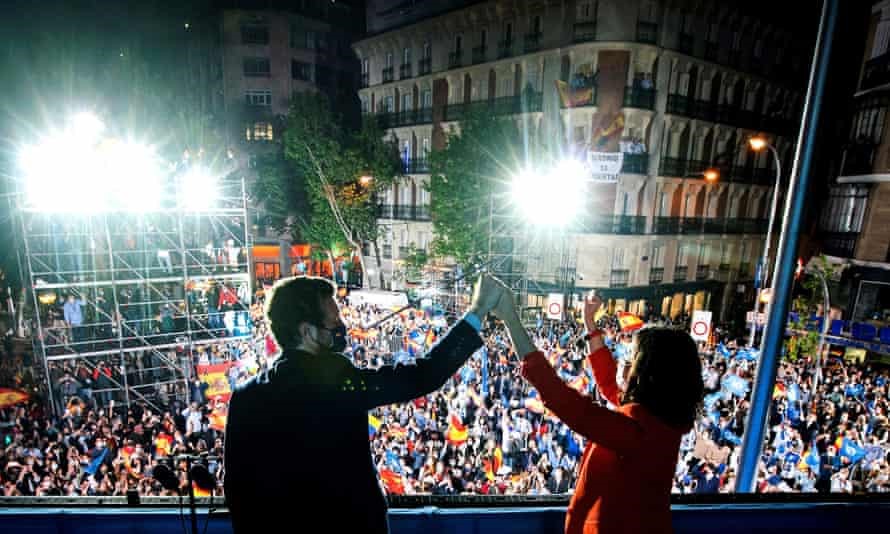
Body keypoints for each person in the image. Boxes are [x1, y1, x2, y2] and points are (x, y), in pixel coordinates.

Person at [223, 274, 502, 533]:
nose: (342, 326)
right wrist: (477, 311)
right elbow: (422, 376)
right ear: (307, 331)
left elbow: (238, 492)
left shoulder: (246, 398)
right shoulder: (337, 384)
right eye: (334, 320)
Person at [493, 285, 703, 534]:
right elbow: (609, 383)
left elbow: (564, 401)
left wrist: (511, 320)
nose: (622, 361)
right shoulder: (659, 420)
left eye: (630, 357)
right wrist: (590, 324)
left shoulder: (637, 433)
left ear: (647, 373)